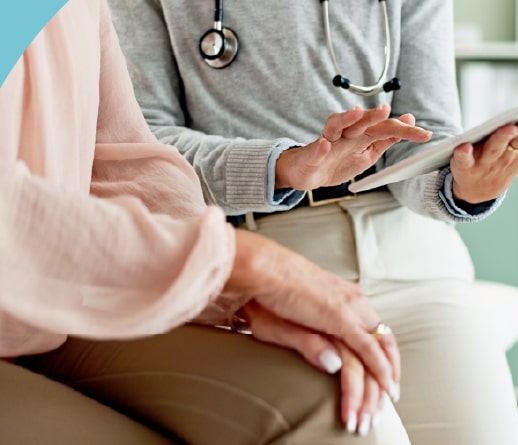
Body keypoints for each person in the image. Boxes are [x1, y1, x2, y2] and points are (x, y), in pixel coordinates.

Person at [107, 0, 518, 444]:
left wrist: (466, 187)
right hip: (272, 270)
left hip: (414, 256)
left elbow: (423, 135)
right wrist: (286, 166)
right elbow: (147, 148)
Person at [0, 0, 441, 443]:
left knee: (336, 416)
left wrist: (235, 292)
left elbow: (124, 161)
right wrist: (243, 261)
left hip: (58, 310)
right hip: (39, 307)